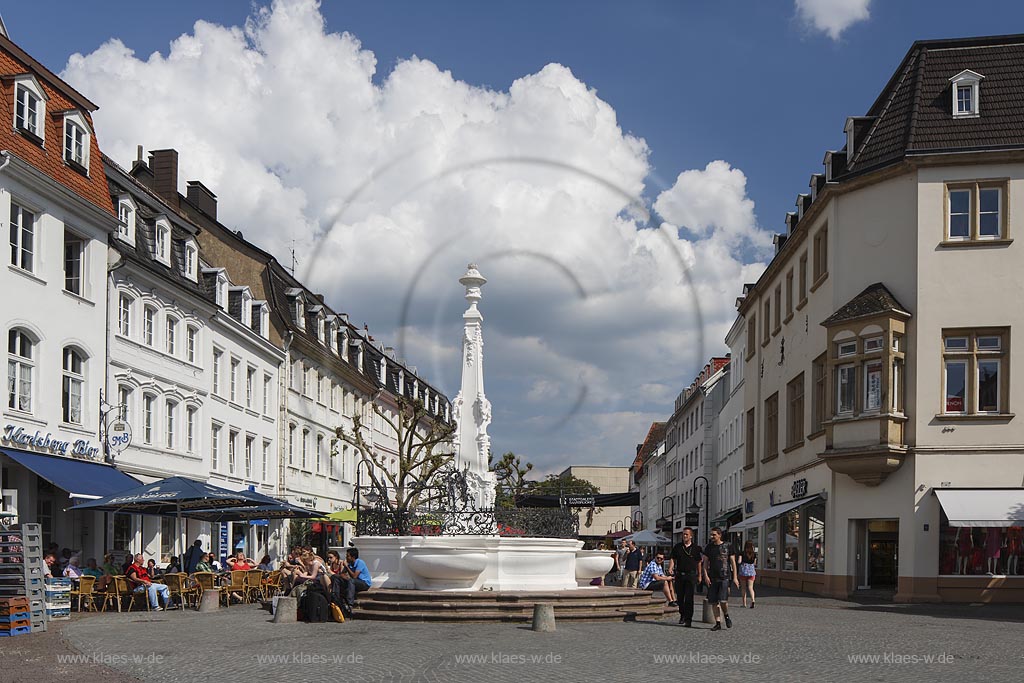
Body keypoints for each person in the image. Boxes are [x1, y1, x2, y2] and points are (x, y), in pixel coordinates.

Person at [702, 527, 739, 631]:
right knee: (713, 602)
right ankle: (717, 622)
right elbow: (705, 562)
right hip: (713, 577)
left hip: (725, 576)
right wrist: (705, 575)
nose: (712, 537)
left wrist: (735, 577)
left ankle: (726, 616)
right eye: (711, 535)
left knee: (723, 601)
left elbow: (733, 562)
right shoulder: (709, 547)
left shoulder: (728, 546)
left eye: (714, 535)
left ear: (719, 535)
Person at [668, 527, 704, 627]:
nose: (684, 536)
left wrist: (700, 575)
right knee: (679, 598)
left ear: (691, 536)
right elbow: (673, 558)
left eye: (686, 534)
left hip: (691, 575)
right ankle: (682, 614)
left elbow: (699, 562)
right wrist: (671, 567)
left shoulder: (696, 548)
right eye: (683, 534)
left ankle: (688, 619)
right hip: (680, 575)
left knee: (689, 598)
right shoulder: (678, 547)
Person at [336, 547, 371, 612]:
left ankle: (350, 604)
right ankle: (336, 597)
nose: (346, 558)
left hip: (364, 583)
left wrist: (346, 566)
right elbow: (342, 574)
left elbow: (354, 576)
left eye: (348, 556)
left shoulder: (360, 562)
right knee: (336, 577)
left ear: (353, 557)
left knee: (351, 581)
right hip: (354, 582)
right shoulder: (349, 564)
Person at [738, 540, 757, 608]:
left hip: (743, 571)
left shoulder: (742, 553)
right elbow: (754, 563)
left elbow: (739, 561)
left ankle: (744, 603)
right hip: (751, 571)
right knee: (750, 587)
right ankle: (753, 600)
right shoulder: (754, 554)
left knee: (743, 588)